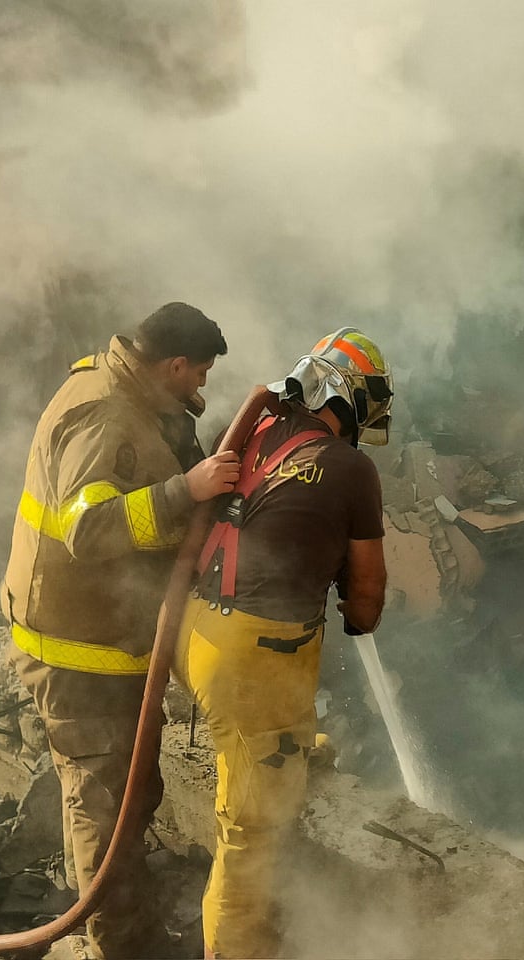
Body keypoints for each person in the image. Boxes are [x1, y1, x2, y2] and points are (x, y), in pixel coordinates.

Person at [1, 301, 241, 960]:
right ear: (172, 364)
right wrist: (184, 491)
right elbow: (89, 528)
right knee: (104, 806)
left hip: (110, 640)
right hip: (78, 654)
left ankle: (129, 918)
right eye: (198, 376)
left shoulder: (130, 394)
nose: (201, 389)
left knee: (132, 795)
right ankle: (120, 947)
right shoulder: (104, 414)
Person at [175, 327, 393, 959]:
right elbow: (369, 601)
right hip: (249, 659)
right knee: (248, 838)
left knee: (277, 746)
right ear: (349, 397)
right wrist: (355, 605)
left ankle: (285, 753)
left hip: (204, 633)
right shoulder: (351, 467)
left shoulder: (258, 431)